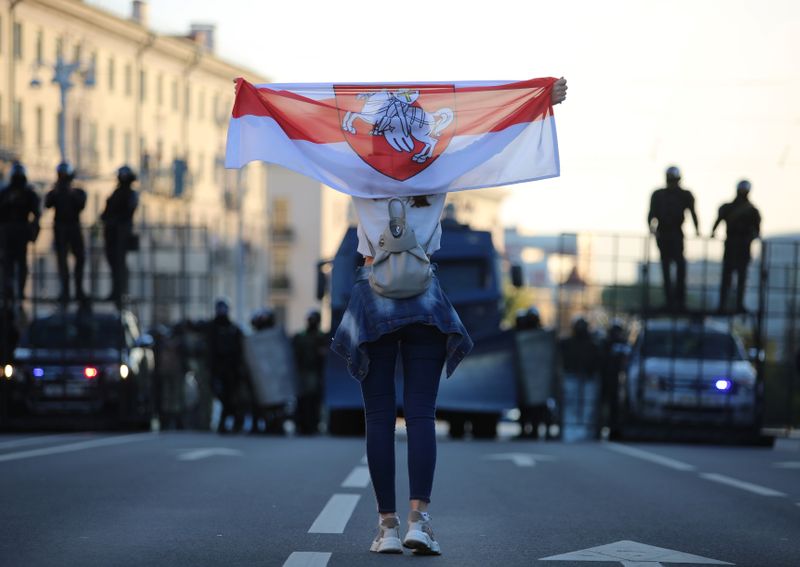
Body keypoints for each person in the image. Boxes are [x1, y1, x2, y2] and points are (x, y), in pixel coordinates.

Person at [329, 78, 568, 555]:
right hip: (424, 295)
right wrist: (539, 99)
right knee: (420, 415)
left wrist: (256, 102)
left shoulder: (356, 169)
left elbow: (298, 137)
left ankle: (387, 528)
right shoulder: (437, 169)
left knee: (379, 417)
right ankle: (421, 521)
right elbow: (491, 136)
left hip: (373, 294)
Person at [647, 166, 700, 311]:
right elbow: (651, 215)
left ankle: (679, 301)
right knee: (667, 268)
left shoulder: (684, 195)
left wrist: (697, 230)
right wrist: (652, 230)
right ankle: (670, 301)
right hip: (664, 233)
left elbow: (693, 213)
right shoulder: (658, 195)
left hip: (676, 233)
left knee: (679, 266)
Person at [711, 179, 761, 313]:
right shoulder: (750, 210)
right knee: (734, 278)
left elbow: (756, 231)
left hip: (737, 247)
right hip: (738, 247)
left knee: (733, 278)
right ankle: (729, 305)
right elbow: (757, 232)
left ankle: (726, 305)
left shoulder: (747, 210)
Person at [44, 162, 87, 301]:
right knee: (62, 260)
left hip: (74, 227)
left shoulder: (77, 192)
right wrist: (57, 191)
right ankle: (65, 290)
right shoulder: (55, 192)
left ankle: (79, 289)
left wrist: (70, 192)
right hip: (60, 228)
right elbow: (48, 203)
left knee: (79, 258)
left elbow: (81, 204)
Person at [0, 161, 41, 300]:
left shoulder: (27, 193)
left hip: (18, 232)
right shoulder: (7, 193)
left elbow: (36, 213)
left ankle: (17, 291)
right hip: (9, 232)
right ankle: (9, 290)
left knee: (17, 263)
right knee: (9, 263)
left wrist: (34, 230)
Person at [207, 298, 247, 433]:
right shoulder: (212, 328)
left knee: (232, 398)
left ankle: (232, 423)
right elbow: (210, 349)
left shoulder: (233, 328)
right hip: (218, 368)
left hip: (232, 369)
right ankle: (222, 423)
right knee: (221, 397)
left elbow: (240, 349)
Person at [100, 165, 139, 302]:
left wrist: (115, 221)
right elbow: (106, 213)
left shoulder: (131, 194)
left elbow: (128, 212)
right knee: (113, 262)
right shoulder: (116, 193)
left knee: (119, 263)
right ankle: (116, 291)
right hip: (111, 233)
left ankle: (120, 291)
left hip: (121, 233)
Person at [559, 316, 602, 441]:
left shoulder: (593, 344)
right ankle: (570, 432)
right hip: (572, 377)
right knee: (571, 404)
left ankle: (586, 431)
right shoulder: (566, 343)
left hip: (588, 378)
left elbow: (597, 361)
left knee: (587, 405)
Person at [292, 309, 327, 435]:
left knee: (312, 401)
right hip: (303, 372)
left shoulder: (321, 337)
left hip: (313, 372)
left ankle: (311, 425)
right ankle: (302, 425)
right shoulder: (300, 336)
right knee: (303, 400)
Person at [599, 319, 629, 436]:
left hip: (619, 379)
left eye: (618, 331)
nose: (616, 334)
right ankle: (600, 428)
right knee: (602, 404)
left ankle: (615, 430)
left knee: (616, 406)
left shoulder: (623, 344)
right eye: (614, 331)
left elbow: (627, 360)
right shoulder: (605, 343)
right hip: (605, 377)